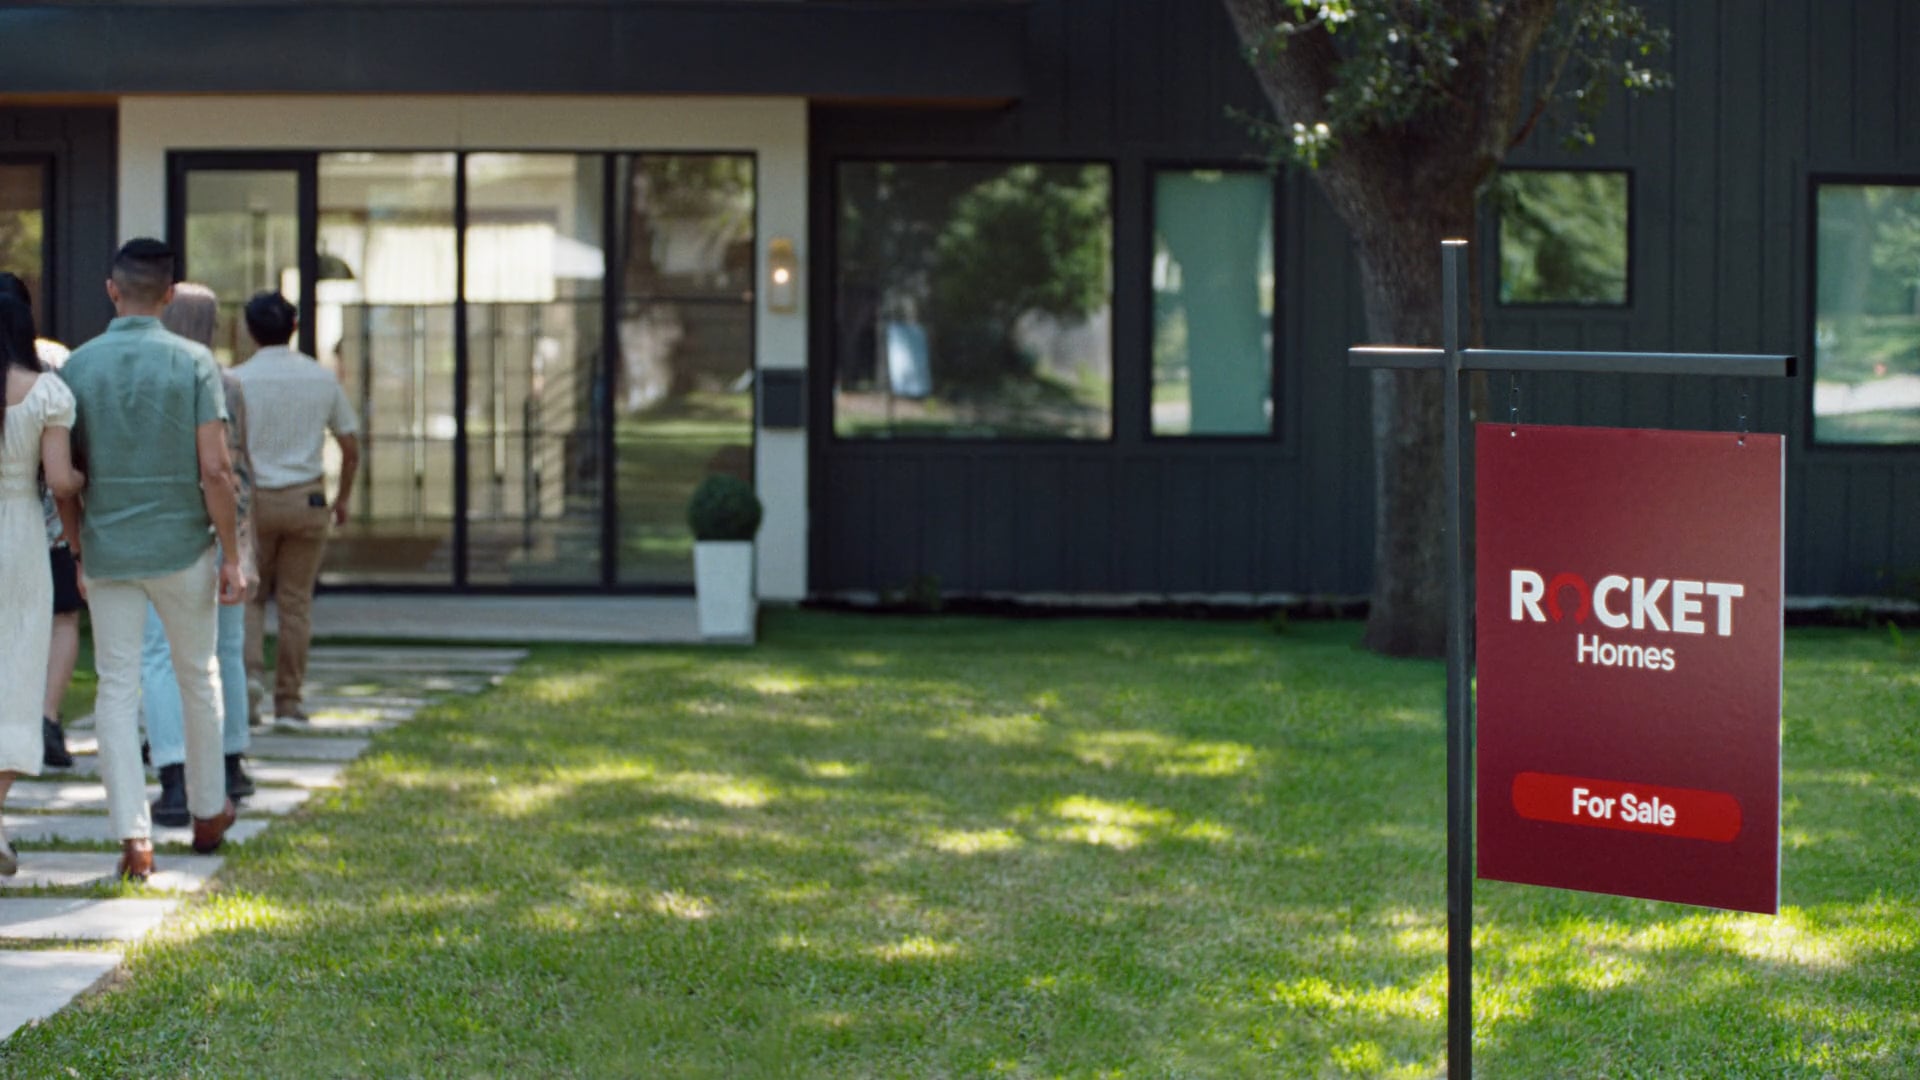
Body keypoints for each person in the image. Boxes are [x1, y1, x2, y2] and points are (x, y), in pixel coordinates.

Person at [59, 239, 243, 881]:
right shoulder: (194, 361)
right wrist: (232, 553)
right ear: (169, 294)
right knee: (199, 677)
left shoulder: (76, 368)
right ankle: (205, 812)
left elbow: (69, 475)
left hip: (109, 548)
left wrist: (80, 548)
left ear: (113, 290)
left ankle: (134, 839)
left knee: (116, 687)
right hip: (184, 547)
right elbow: (216, 469)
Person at [142, 284, 258, 825]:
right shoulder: (228, 381)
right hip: (223, 528)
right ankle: (231, 762)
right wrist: (242, 544)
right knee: (226, 651)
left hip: (165, 528)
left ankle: (173, 774)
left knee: (161, 655)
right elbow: (238, 468)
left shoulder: (154, 373)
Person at [231, 291, 358, 728]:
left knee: (249, 598)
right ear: (295, 327)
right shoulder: (321, 379)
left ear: (249, 330)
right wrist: (343, 499)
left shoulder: (236, 380)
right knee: (295, 603)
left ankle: (249, 680)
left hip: (254, 503)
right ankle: (289, 700)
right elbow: (350, 443)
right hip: (307, 500)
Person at [0, 294, 83, 875]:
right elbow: (59, 481)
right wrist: (85, 472)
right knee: (17, 674)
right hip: (18, 536)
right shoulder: (46, 391)